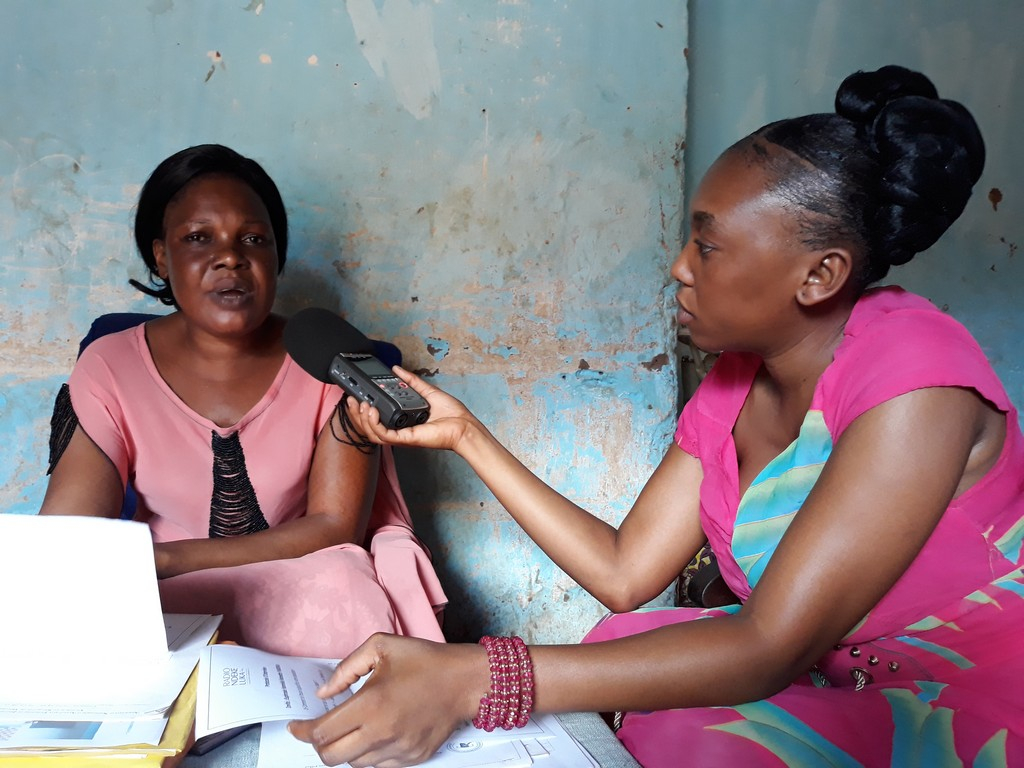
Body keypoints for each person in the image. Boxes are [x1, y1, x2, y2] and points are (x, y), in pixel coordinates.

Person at [288, 66, 1024, 767]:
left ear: (819, 274)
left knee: (694, 736)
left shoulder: (915, 371)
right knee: (625, 646)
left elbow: (768, 647)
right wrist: (466, 436)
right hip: (833, 676)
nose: (680, 267)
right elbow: (625, 571)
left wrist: (474, 676)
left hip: (970, 698)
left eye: (708, 245)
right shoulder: (736, 379)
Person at [40, 144, 446, 658]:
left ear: (276, 257)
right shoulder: (110, 365)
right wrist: (141, 573)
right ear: (161, 256)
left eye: (253, 239)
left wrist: (168, 559)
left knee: (343, 583)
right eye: (198, 237)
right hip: (165, 595)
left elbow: (333, 525)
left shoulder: (330, 359)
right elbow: (70, 536)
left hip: (296, 578)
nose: (231, 256)